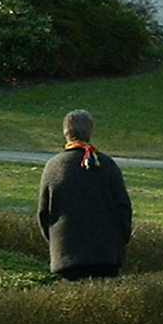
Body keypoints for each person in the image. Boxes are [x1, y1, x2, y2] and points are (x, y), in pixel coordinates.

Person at [37, 108, 133, 279]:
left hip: (66, 255)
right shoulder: (106, 164)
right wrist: (120, 241)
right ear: (90, 132)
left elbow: (44, 214)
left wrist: (56, 243)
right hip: (106, 256)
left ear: (66, 133)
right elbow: (123, 208)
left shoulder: (53, 166)